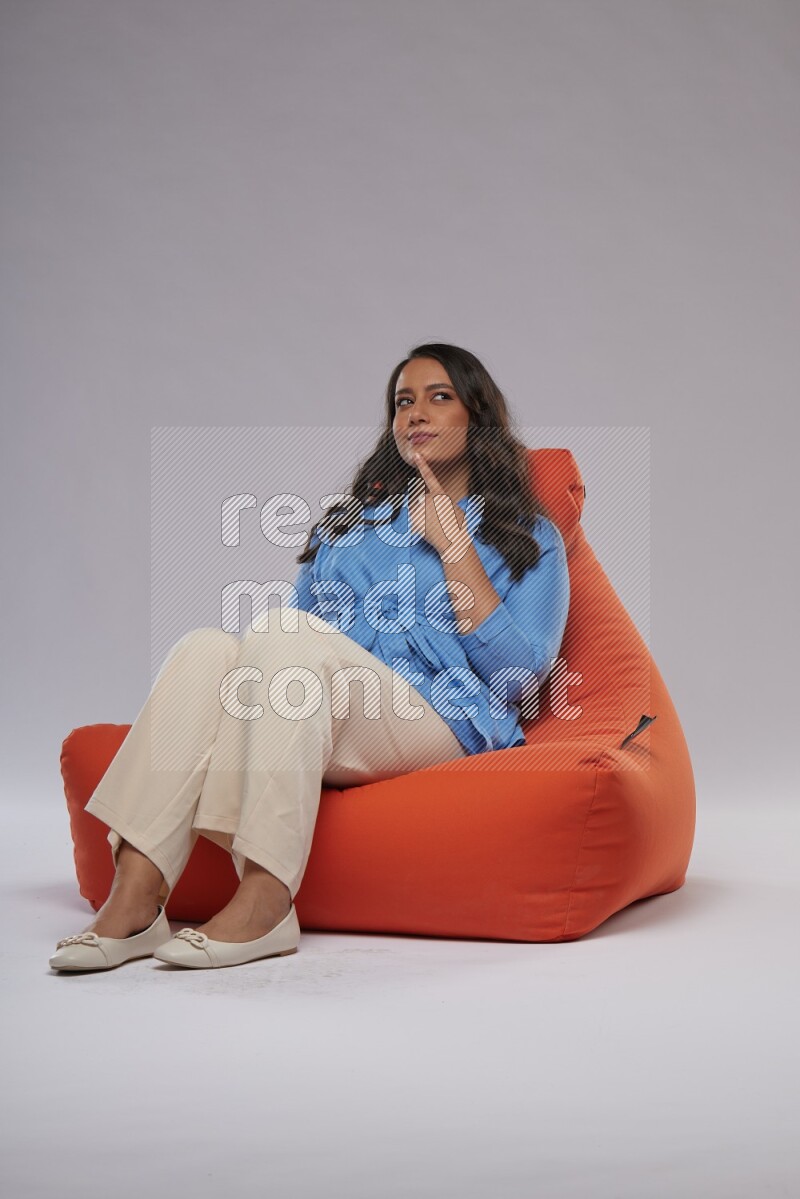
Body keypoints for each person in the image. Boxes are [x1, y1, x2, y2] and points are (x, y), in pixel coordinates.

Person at [49, 342, 570, 972]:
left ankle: (267, 897)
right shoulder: (353, 525)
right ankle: (136, 896)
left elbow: (523, 675)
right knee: (204, 650)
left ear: (477, 415)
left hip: (446, 719)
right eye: (404, 401)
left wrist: (456, 549)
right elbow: (296, 643)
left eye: (440, 397)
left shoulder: (528, 534)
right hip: (336, 709)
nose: (416, 414)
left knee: (282, 635)